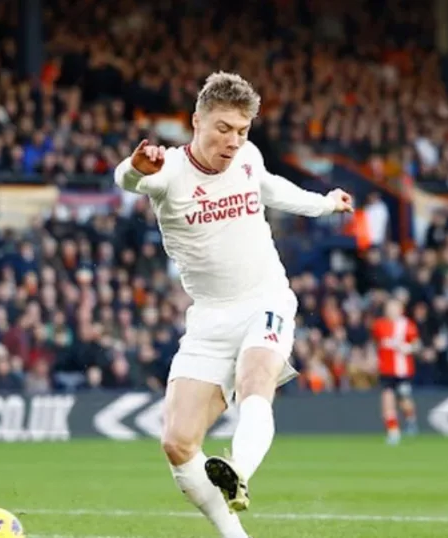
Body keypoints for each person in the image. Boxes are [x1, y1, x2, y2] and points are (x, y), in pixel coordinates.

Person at [113, 72, 353, 538]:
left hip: (266, 298)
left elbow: (270, 188)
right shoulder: (168, 172)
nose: (233, 140)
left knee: (255, 378)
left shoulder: (248, 157)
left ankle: (238, 468)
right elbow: (125, 179)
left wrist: (324, 204)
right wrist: (136, 165)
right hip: (208, 317)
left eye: (242, 131)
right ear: (196, 121)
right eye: (223, 128)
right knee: (178, 443)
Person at [372, 298, 419, 444]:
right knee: (387, 399)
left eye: (393, 307)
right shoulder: (379, 325)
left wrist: (407, 348)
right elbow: (376, 343)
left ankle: (411, 419)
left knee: (404, 399)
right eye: (388, 307)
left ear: (400, 309)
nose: (390, 310)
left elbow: (416, 345)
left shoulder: (407, 325)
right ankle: (393, 432)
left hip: (402, 371)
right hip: (386, 370)